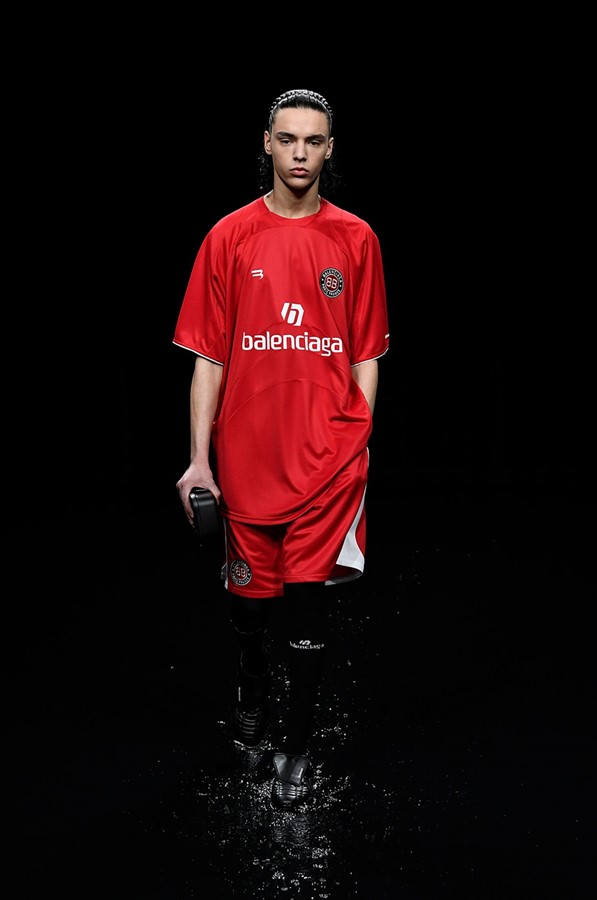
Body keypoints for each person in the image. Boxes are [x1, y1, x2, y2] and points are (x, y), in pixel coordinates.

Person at [173, 89, 389, 810]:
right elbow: (208, 356)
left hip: (328, 460)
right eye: (289, 139)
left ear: (331, 150)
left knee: (310, 607)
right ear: (267, 143)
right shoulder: (229, 237)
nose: (301, 153)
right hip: (247, 462)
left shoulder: (356, 239)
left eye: (315, 141)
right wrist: (199, 461)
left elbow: (365, 355)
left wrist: (357, 439)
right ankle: (251, 666)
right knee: (253, 606)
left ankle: (295, 756)